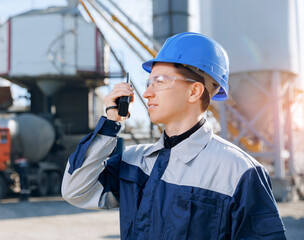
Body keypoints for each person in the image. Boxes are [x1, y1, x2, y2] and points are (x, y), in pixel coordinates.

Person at [62, 32, 286, 239]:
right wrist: (110, 123)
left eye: (159, 82)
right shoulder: (135, 161)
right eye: (148, 83)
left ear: (194, 91)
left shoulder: (239, 172)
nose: (147, 93)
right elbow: (76, 191)